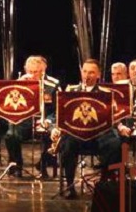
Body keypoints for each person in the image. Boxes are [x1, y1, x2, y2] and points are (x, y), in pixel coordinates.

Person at [51, 59, 122, 199]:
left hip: (99, 135)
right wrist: (56, 128)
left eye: (91, 72)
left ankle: (104, 183)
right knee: (67, 143)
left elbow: (113, 117)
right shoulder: (71, 91)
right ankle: (70, 185)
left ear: (98, 75)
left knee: (115, 143)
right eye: (84, 71)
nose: (87, 75)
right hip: (76, 134)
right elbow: (62, 114)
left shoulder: (106, 93)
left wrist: (120, 126)